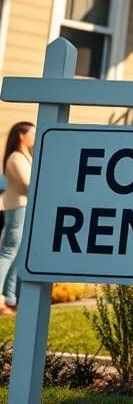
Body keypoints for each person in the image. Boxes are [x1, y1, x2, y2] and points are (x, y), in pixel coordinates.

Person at [0, 122, 34, 315]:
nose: (35, 138)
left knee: (19, 253)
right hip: (17, 207)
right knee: (8, 251)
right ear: (21, 136)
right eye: (32, 134)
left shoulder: (25, 156)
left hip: (24, 207)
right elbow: (29, 183)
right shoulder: (16, 158)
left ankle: (10, 297)